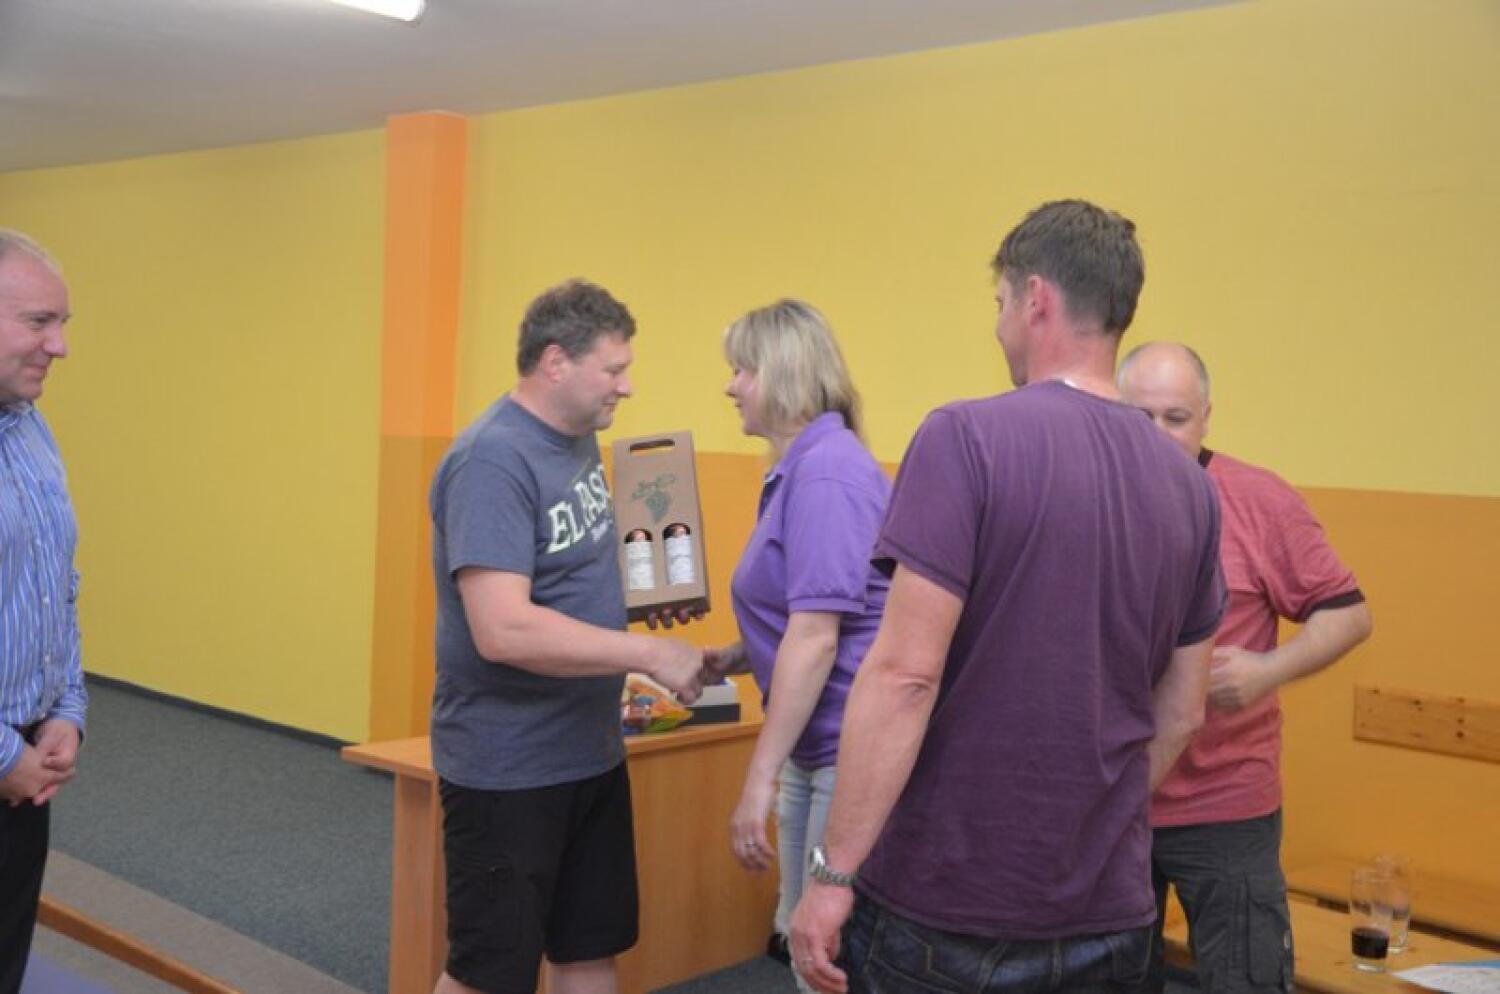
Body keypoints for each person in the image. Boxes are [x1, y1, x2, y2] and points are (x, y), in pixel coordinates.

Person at [789, 200, 1227, 994]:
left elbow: (904, 676)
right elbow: (1183, 711)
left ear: (1035, 299)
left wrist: (831, 873)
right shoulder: (1191, 488)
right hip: (1110, 912)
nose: (997, 327)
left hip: (947, 909)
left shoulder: (964, 437)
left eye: (998, 304)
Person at [428, 279, 706, 994]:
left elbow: (568, 568)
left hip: (589, 750)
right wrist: (649, 653)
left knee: (589, 949)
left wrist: (641, 605)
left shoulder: (577, 440)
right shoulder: (491, 461)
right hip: (509, 767)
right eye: (613, 369)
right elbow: (503, 628)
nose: (627, 386)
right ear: (556, 362)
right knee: (488, 973)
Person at [1117, 341, 1373, 994]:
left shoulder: (1258, 500)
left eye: (1176, 418)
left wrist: (1267, 669)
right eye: (1140, 418)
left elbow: (1349, 615)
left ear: (1207, 417)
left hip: (1225, 803)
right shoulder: (1087, 494)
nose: (1158, 435)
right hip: (1113, 801)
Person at [702, 300, 891, 990]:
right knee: (802, 940)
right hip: (817, 747)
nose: (731, 386)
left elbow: (816, 639)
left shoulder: (828, 473)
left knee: (825, 952)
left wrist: (758, 778)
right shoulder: (802, 467)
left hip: (845, 747)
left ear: (781, 374)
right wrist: (735, 654)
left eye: (742, 369)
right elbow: (806, 613)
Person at [0, 230, 87, 994]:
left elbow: (56, 583)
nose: (58, 345)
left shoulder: (31, 428)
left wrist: (66, 709)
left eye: (62, 323)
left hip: (25, 773)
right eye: (38, 322)